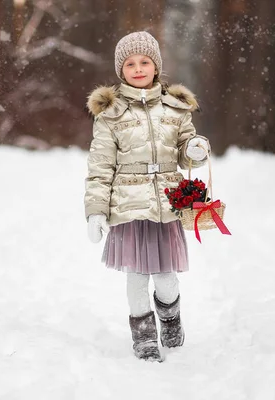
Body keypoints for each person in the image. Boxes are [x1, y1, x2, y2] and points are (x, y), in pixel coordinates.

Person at [84, 31, 210, 362]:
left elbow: (186, 150)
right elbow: (100, 168)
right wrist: (95, 211)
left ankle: (170, 320)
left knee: (167, 278)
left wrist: (194, 149)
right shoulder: (110, 115)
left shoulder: (175, 108)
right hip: (128, 208)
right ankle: (144, 336)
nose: (138, 68)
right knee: (136, 278)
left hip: (167, 206)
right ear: (120, 70)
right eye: (130, 63)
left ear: (156, 66)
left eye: (144, 61)